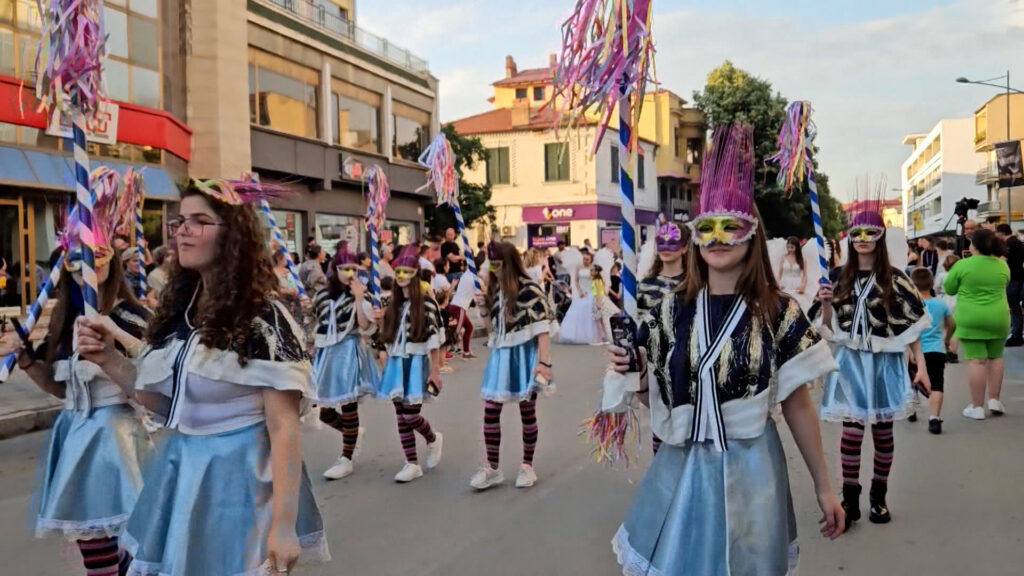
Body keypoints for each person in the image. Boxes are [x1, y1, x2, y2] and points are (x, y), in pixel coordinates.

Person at [610, 123, 843, 576]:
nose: (717, 238)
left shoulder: (779, 311)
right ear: (695, 235)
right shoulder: (668, 311)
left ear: (750, 232)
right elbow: (655, 394)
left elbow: (797, 406)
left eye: (729, 225)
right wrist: (634, 373)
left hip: (753, 468)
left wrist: (824, 487)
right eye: (707, 227)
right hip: (681, 466)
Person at [77, 181, 329, 575]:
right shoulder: (179, 313)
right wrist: (108, 358)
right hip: (183, 471)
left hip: (242, 481)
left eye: (200, 221)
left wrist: (283, 526)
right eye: (180, 221)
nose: (183, 230)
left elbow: (283, 428)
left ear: (231, 237)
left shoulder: (263, 316)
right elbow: (165, 405)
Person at [0, 190, 152, 576]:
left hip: (118, 438)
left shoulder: (131, 316)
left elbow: (153, 385)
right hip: (76, 435)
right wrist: (26, 360)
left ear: (112, 258)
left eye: (97, 251)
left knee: (130, 541)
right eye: (77, 253)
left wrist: (115, 343)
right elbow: (60, 389)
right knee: (92, 543)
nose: (87, 261)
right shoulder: (64, 321)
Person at [814, 196, 930, 529]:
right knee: (851, 432)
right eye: (857, 232)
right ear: (849, 237)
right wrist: (824, 304)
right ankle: (850, 497)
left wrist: (920, 366)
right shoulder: (836, 277)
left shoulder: (896, 277)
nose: (863, 238)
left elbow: (910, 327)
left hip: (886, 363)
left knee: (882, 432)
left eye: (870, 232)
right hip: (850, 362)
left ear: (880, 236)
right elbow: (827, 328)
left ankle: (878, 498)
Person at [470, 241, 554, 490]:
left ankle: (527, 466)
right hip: (500, 356)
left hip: (524, 355)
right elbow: (492, 332)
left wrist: (544, 362)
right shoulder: (495, 291)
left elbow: (542, 329)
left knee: (527, 411)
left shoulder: (530, 288)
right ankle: (493, 468)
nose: (493, 270)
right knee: (490, 410)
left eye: (497, 264)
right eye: (490, 264)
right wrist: (484, 308)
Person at [377, 244, 445, 483]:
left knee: (410, 415)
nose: (402, 276)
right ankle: (411, 462)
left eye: (406, 271)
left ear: (415, 273)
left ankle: (433, 438)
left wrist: (435, 371)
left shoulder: (427, 304)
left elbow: (435, 341)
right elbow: (384, 338)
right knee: (399, 414)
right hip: (396, 362)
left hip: (417, 362)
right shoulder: (391, 306)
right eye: (398, 272)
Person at [313, 242, 380, 480]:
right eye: (345, 268)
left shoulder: (362, 293)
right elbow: (317, 323)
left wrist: (360, 298)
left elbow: (364, 326)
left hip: (348, 350)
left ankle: (346, 457)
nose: (349, 273)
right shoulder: (321, 295)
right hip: (326, 352)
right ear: (336, 269)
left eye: (353, 269)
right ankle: (352, 434)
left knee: (348, 405)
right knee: (322, 409)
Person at [943, 228, 1010, 419]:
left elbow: (949, 288)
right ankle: (995, 400)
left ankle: (977, 406)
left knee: (977, 361)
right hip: (999, 317)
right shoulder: (1002, 265)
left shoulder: (963, 265)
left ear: (975, 245)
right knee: (996, 358)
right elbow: (1006, 282)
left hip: (971, 318)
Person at [638, 220, 690, 454]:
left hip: (689, 364)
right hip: (656, 363)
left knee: (689, 427)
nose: (667, 247)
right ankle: (663, 475)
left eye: (673, 241)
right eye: (662, 241)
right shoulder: (645, 285)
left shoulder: (696, 284)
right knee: (660, 422)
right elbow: (639, 328)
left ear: (686, 247)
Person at [909, 267, 953, 434]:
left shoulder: (911, 305)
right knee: (936, 384)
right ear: (931, 283)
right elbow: (952, 324)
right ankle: (934, 418)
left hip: (914, 351)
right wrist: (947, 339)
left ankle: (911, 410)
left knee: (912, 380)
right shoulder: (940, 304)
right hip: (936, 349)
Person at [557, 251, 601, 344]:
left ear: (591, 260)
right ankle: (572, 335)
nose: (585, 261)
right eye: (584, 259)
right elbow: (576, 280)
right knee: (574, 313)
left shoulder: (593, 269)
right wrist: (579, 290)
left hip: (590, 293)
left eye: (587, 259)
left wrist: (596, 296)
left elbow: (596, 282)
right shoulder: (579, 267)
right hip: (581, 293)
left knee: (588, 315)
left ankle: (589, 336)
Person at [995, 223, 1023, 346]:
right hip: (1019, 277)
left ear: (1001, 232)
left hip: (1013, 279)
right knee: (1016, 307)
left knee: (1013, 307)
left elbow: (1002, 260)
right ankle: (1017, 333)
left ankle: (1016, 334)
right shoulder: (1018, 242)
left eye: (997, 232)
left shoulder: (1009, 244)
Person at [449, 267, 481, 359]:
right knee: (455, 332)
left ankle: (466, 352)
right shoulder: (473, 278)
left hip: (455, 305)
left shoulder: (466, 275)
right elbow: (480, 289)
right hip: (460, 307)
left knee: (469, 327)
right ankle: (441, 354)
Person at [776, 236, 808, 310]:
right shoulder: (783, 257)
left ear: (796, 247)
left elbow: (804, 275)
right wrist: (777, 283)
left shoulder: (802, 259)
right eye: (788, 247)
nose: (790, 249)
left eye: (792, 247)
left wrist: (803, 285)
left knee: (796, 306)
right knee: (784, 305)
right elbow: (779, 273)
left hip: (796, 285)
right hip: (784, 285)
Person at [590, 264, 619, 344]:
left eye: (592, 271)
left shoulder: (597, 280)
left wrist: (598, 303)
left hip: (598, 300)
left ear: (596, 272)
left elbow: (599, 292)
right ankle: (605, 338)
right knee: (601, 321)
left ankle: (600, 339)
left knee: (598, 321)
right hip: (598, 299)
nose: (590, 272)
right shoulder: (597, 280)